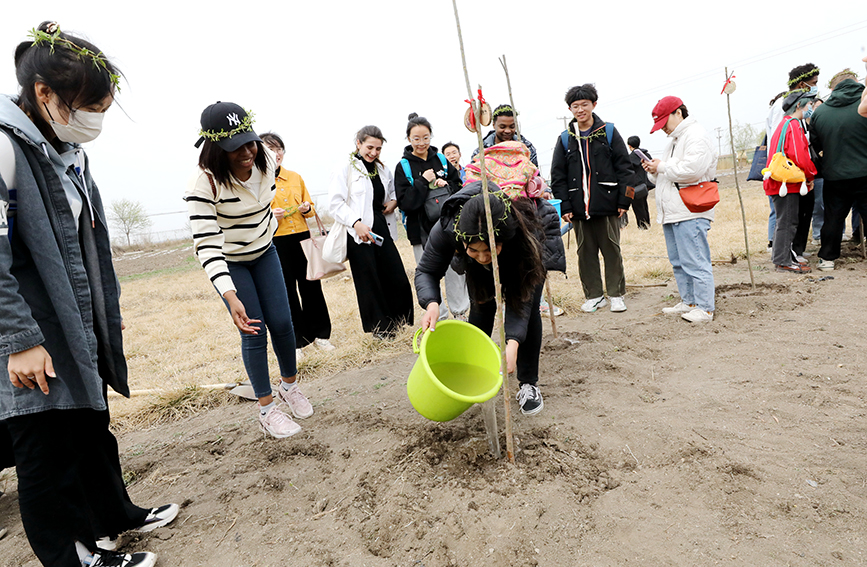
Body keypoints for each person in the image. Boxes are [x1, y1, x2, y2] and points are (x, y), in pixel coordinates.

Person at [0, 22, 177, 567]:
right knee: (43, 448)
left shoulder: (66, 149)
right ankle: (73, 557)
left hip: (72, 317)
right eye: (88, 106)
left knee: (88, 424)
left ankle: (112, 518)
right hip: (30, 326)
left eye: (103, 106)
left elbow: (84, 242)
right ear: (44, 95)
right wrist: (19, 338)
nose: (96, 119)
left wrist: (102, 317)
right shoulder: (5, 147)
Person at [186, 102, 313, 439]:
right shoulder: (204, 185)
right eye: (234, 147)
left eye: (249, 141)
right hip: (231, 262)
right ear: (215, 149)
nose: (246, 152)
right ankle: (267, 410)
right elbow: (207, 246)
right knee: (254, 331)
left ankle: (290, 386)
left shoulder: (266, 161)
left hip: (264, 251)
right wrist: (229, 294)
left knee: (284, 323)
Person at [415, 186, 553, 415]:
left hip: (520, 266)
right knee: (481, 306)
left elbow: (522, 301)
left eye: (489, 250)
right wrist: (431, 304)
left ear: (503, 240)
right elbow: (426, 271)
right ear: (463, 241)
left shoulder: (521, 235)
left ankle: (528, 383)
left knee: (526, 321)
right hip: (478, 273)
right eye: (474, 250)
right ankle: (472, 375)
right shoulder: (449, 228)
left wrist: (512, 343)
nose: (481, 256)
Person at [550, 84, 633, 313]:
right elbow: (558, 176)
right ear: (570, 109)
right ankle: (594, 295)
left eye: (584, 105)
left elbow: (625, 169)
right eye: (575, 106)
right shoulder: (566, 139)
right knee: (585, 254)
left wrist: (625, 201)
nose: (580, 110)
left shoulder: (608, 132)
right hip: (577, 208)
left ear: (594, 105)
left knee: (612, 250)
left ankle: (616, 294)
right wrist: (564, 206)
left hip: (608, 205)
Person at [328, 125, 414, 337]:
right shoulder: (345, 168)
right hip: (357, 231)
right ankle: (381, 328)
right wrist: (356, 223)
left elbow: (392, 191)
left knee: (395, 274)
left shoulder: (382, 169)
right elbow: (335, 203)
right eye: (369, 147)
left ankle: (400, 319)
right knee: (369, 280)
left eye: (378, 149)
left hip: (380, 226)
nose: (374, 152)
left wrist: (393, 202)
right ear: (358, 144)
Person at [643, 96, 718, 323]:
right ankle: (689, 301)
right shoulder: (674, 140)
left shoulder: (696, 135)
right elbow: (665, 177)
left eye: (665, 121)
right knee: (679, 261)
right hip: (674, 210)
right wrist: (654, 170)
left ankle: (705, 307)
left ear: (679, 112)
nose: (663, 128)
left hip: (690, 210)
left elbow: (693, 170)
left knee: (695, 260)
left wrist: (662, 166)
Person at [260, 132, 335, 358]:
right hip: (276, 241)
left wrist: (306, 208)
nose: (276, 154)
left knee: (312, 286)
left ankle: (321, 336)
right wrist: (272, 215)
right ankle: (297, 342)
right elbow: (254, 217)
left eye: (279, 149)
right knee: (287, 292)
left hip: (302, 237)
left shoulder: (295, 177)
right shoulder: (256, 182)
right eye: (270, 149)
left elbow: (311, 207)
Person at [394, 113, 468, 320]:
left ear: (431, 136)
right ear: (408, 139)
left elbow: (459, 189)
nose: (421, 143)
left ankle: (461, 313)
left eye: (425, 137)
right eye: (416, 138)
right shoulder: (404, 167)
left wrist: (447, 185)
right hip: (421, 231)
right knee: (429, 272)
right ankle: (439, 317)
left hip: (449, 226)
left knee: (455, 270)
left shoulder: (442, 160)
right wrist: (422, 182)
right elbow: (405, 202)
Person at [810, 73, 867, 270]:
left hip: (835, 175)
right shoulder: (864, 107)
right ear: (857, 84)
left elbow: (815, 145)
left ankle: (827, 258)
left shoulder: (821, 112)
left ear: (833, 89)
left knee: (833, 217)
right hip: (865, 173)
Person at [765, 63, 820, 252]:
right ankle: (786, 253)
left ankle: (792, 251)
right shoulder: (784, 108)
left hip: (796, 171)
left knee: (795, 215)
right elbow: (779, 143)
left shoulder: (796, 111)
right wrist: (806, 173)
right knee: (787, 217)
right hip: (788, 172)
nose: (815, 87)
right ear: (802, 85)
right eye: (813, 83)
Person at [471, 104, 539, 166]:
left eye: (512, 127)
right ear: (494, 125)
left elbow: (535, 175)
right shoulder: (481, 151)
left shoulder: (527, 149)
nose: (507, 131)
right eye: (502, 127)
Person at [626, 136, 653, 229]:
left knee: (637, 207)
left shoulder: (630, 157)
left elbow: (628, 172)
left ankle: (642, 226)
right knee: (644, 205)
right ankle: (647, 224)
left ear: (629, 145)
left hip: (634, 186)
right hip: (645, 185)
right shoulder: (646, 155)